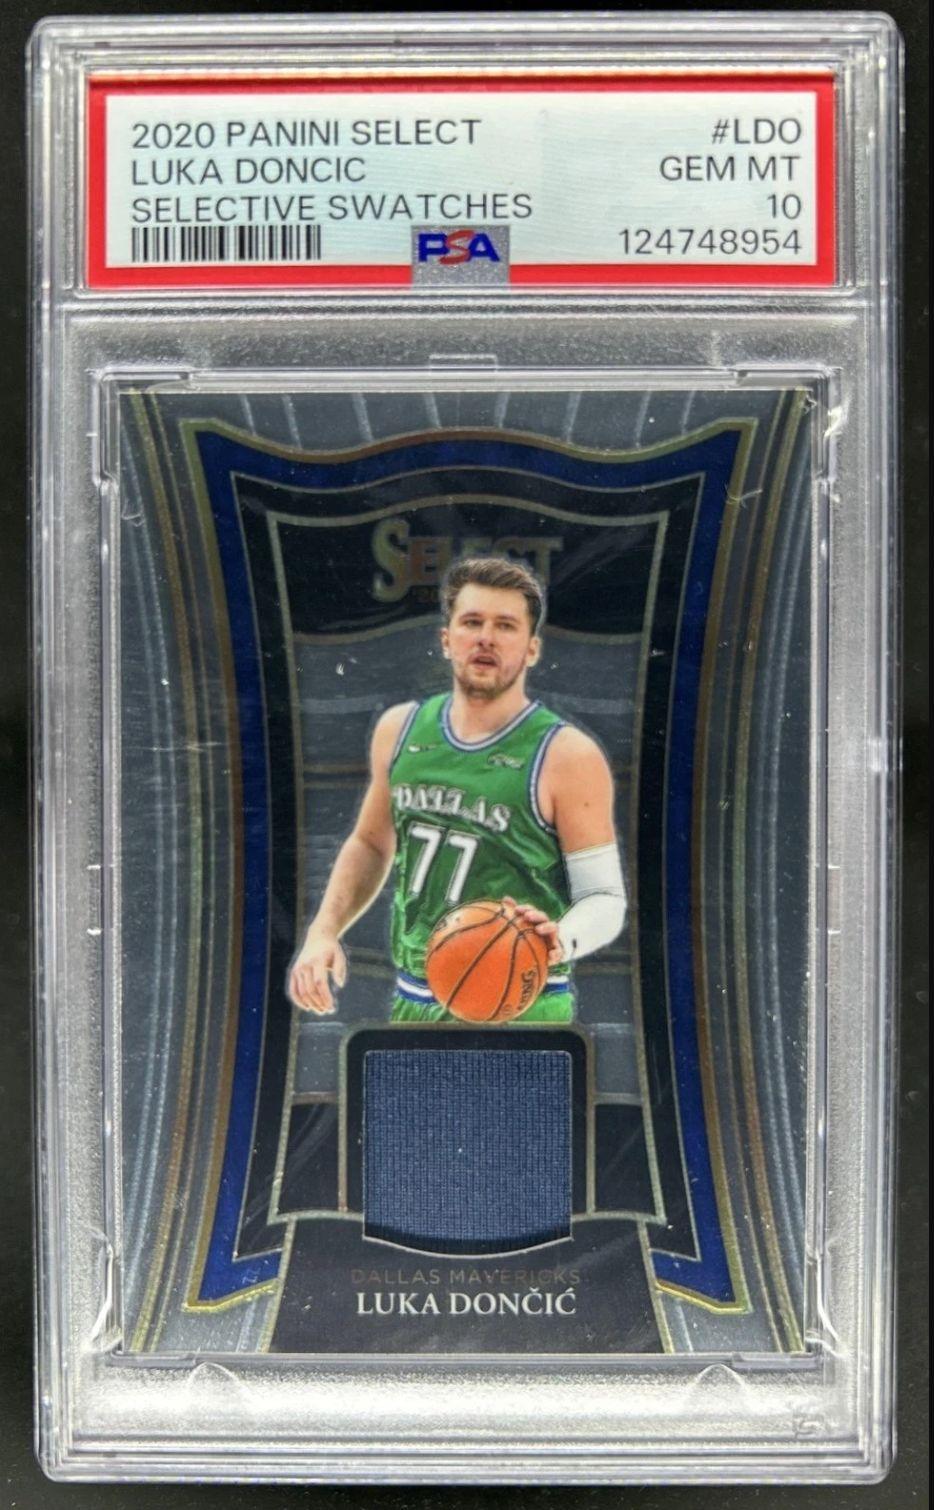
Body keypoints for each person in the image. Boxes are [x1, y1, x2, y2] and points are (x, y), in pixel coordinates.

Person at [288, 555, 627, 1022]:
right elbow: (370, 843)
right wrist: (324, 930)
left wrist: (562, 938)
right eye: (472, 622)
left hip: (523, 1002)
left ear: (532, 649)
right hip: (415, 999)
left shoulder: (567, 754)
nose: (486, 637)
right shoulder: (400, 728)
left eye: (505, 625)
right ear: (447, 640)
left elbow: (605, 899)